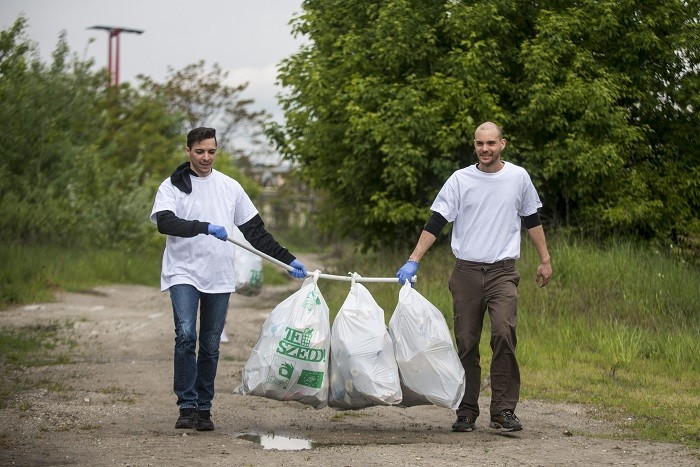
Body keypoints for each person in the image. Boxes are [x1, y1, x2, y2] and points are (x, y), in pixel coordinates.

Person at [396, 122, 552, 433]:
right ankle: (466, 411)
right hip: (466, 272)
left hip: (502, 272)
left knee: (504, 335)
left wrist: (545, 260)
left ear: (502, 144)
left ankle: (503, 412)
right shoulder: (460, 180)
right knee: (466, 343)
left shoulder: (518, 178)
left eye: (491, 143)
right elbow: (437, 220)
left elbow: (532, 218)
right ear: (474, 144)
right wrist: (413, 260)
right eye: (480, 143)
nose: (485, 149)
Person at [150, 127, 307, 431]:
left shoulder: (230, 187)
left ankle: (204, 407)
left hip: (219, 275)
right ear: (188, 151)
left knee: (210, 343)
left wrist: (288, 260)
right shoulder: (172, 186)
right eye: (199, 151)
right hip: (183, 270)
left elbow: (256, 232)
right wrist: (204, 226)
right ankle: (187, 404)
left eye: (211, 151)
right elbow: (165, 222)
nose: (206, 157)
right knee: (185, 334)